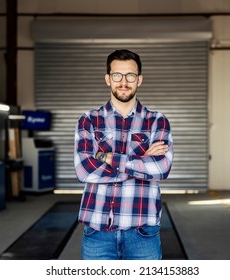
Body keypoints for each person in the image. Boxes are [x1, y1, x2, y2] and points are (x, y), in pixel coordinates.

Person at [74, 49, 173, 260]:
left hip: (142, 232)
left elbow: (161, 169)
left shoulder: (157, 121)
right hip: (97, 231)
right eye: (117, 75)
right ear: (108, 79)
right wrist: (142, 161)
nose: (124, 82)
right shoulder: (89, 120)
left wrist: (107, 157)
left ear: (140, 79)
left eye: (131, 76)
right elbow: (84, 171)